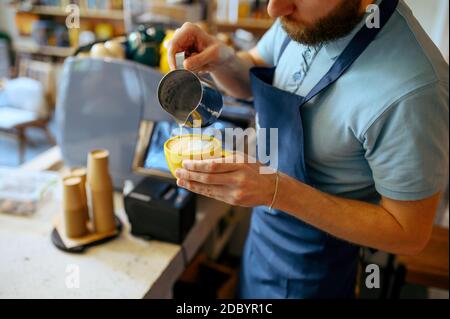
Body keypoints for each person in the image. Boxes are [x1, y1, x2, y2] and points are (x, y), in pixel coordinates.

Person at [168, 0, 449, 298]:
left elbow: (408, 234)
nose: (274, 10)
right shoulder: (302, 15)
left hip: (313, 272)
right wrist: (223, 59)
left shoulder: (416, 91)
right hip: (261, 241)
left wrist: (275, 191)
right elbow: (255, 72)